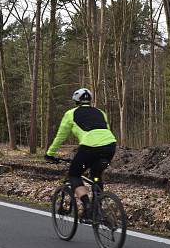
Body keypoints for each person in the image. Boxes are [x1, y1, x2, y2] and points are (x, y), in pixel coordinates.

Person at [45, 88, 117, 219]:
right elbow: (105, 130)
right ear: (90, 100)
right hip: (110, 146)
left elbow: (60, 137)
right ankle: (98, 209)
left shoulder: (70, 114)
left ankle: (87, 206)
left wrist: (50, 153)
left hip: (89, 147)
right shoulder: (101, 112)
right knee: (96, 175)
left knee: (74, 174)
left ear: (76, 101)